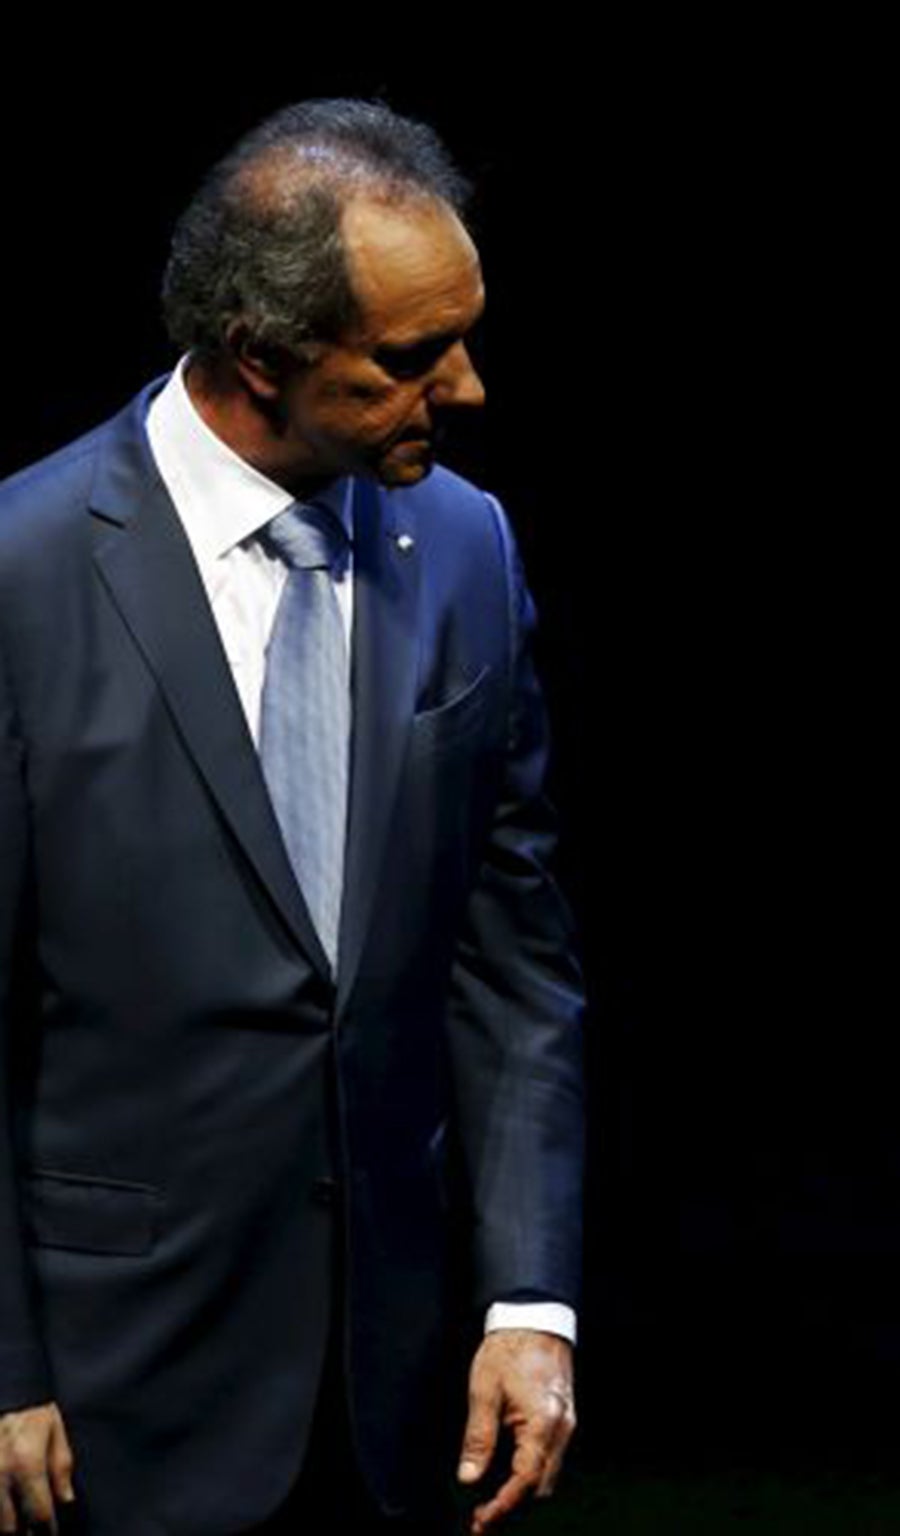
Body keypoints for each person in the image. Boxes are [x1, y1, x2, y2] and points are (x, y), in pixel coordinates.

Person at [0, 101, 585, 1535]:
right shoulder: (21, 574)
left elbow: (513, 959)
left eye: (465, 334)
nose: (466, 389)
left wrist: (529, 1300)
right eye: (408, 359)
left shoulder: (463, 545)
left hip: (395, 1387)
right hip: (109, 1386)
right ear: (260, 357)